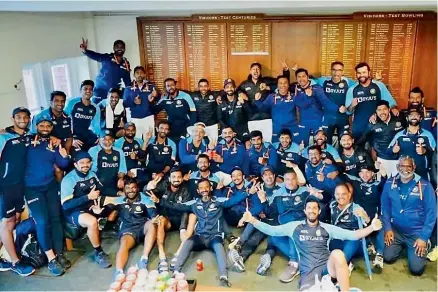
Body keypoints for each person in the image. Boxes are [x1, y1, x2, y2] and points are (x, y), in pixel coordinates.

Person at [241, 196, 383, 291]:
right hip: (308, 271)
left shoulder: (327, 228)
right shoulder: (294, 226)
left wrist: (371, 227)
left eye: (314, 208)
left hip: (327, 269)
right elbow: (271, 230)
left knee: (338, 254)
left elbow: (353, 235)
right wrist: (252, 220)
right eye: (309, 208)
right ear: (305, 211)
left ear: (319, 211)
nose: (311, 210)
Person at [158, 178, 253, 287]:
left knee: (220, 249)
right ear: (198, 191)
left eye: (206, 187)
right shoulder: (194, 203)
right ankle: (175, 272)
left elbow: (233, 200)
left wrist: (247, 193)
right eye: (201, 188)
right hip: (200, 236)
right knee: (187, 242)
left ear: (211, 188)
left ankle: (224, 277)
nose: (204, 190)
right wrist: (159, 201)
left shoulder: (218, 201)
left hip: (215, 236)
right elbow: (177, 206)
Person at [24, 115, 70, 276]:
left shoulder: (54, 142)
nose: (45, 128)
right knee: (42, 222)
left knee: (56, 218)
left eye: (48, 126)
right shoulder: (27, 141)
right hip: (32, 189)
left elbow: (64, 165)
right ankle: (51, 259)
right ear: (35, 126)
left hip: (50, 186)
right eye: (41, 125)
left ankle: (58, 254)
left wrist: (64, 155)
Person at [381, 156, 436, 275]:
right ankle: (404, 247)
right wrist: (388, 228)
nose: (405, 169)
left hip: (416, 233)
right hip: (397, 230)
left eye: (409, 166)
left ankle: (426, 243)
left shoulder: (425, 185)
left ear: (414, 167)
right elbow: (385, 208)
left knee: (416, 270)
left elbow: (431, 214)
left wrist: (423, 237)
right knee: (388, 258)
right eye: (402, 166)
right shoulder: (390, 183)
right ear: (397, 167)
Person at [60, 151, 111, 268]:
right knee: (92, 222)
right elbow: (66, 205)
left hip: (89, 206)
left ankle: (101, 222)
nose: (85, 165)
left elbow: (101, 190)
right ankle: (99, 252)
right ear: (75, 164)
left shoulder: (92, 174)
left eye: (88, 162)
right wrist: (88, 197)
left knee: (114, 204)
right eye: (81, 163)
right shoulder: (69, 180)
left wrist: (99, 204)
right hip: (73, 211)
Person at [0, 107, 35, 276]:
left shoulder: (29, 136)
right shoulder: (4, 138)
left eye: (25, 117)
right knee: (7, 223)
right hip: (6, 187)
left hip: (21, 185)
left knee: (13, 219)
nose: (22, 120)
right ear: (13, 118)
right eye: (18, 117)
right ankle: (15, 262)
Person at [101, 177, 158, 280]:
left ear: (137, 188)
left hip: (143, 226)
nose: (131, 190)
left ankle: (143, 260)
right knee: (124, 244)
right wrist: (98, 211)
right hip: (128, 229)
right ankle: (119, 273)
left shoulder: (145, 198)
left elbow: (152, 213)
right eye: (128, 188)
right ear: (124, 190)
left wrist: (154, 218)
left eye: (133, 188)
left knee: (152, 224)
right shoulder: (119, 201)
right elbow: (106, 210)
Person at [227, 166, 280, 275]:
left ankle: (266, 260)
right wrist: (254, 214)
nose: (268, 177)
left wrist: (264, 206)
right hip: (261, 220)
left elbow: (277, 209)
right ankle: (240, 256)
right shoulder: (258, 188)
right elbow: (256, 207)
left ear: (274, 176)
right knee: (254, 239)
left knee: (272, 241)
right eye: (265, 175)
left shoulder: (280, 190)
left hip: (274, 222)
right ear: (262, 177)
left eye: (270, 174)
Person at [140, 168, 193, 272]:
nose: (176, 179)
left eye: (179, 177)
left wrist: (160, 201)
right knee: (160, 220)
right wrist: (147, 187)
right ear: (169, 178)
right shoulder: (163, 185)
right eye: (173, 177)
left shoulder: (186, 190)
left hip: (180, 221)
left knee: (188, 214)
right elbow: (147, 192)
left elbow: (184, 208)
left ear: (182, 179)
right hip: (167, 220)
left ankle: (178, 254)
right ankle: (162, 256)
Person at [344, 164, 387, 273]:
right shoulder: (356, 183)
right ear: (358, 174)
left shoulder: (377, 184)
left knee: (379, 225)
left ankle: (379, 255)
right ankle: (369, 246)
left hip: (374, 216)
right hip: (360, 218)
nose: (365, 175)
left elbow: (386, 184)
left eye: (368, 172)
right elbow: (341, 175)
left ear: (373, 173)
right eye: (362, 172)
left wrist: (384, 175)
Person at [346, 62, 398, 140]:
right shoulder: (352, 90)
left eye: (364, 72)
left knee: (375, 150)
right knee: (359, 151)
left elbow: (390, 103)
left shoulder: (379, 86)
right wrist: (352, 105)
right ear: (356, 74)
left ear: (369, 73)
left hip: (377, 126)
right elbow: (348, 111)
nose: (361, 75)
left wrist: (393, 109)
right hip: (359, 128)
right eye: (359, 73)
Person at [294, 68, 345, 146]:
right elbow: (300, 104)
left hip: (317, 121)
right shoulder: (296, 89)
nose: (301, 79)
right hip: (304, 122)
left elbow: (326, 102)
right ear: (296, 78)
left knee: (320, 144)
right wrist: (309, 96)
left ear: (308, 77)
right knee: (302, 144)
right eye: (299, 77)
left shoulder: (316, 88)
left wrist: (338, 108)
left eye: (303, 76)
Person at [329, 183, 370, 275]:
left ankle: (340, 267)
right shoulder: (332, 205)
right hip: (338, 239)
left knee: (353, 241)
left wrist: (364, 215)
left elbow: (367, 222)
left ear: (349, 194)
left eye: (343, 194)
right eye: (337, 194)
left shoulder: (356, 208)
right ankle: (345, 263)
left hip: (353, 243)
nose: (340, 197)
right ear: (334, 195)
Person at [312, 61, 356, 145]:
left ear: (342, 71)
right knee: (326, 143)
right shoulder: (323, 81)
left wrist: (378, 80)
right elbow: (309, 80)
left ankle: (340, 158)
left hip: (342, 118)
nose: (336, 73)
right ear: (331, 71)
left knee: (344, 143)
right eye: (334, 70)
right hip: (328, 118)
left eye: (339, 70)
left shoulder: (348, 82)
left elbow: (362, 86)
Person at [357, 100, 405, 177]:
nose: (382, 112)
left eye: (384, 109)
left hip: (399, 159)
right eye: (379, 110)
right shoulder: (372, 123)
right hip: (382, 160)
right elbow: (364, 137)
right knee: (383, 184)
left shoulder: (399, 119)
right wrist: (354, 146)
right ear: (376, 111)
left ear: (389, 109)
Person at [388, 108, 436, 179]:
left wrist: (425, 151)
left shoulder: (427, 135)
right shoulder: (399, 135)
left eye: (416, 115)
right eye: (411, 115)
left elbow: (435, 154)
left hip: (422, 173)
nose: (414, 117)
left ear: (420, 118)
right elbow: (388, 152)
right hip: (404, 173)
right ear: (407, 118)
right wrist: (393, 151)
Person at [80, 38, 131, 103]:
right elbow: (95, 55)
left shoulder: (126, 63)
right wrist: (85, 51)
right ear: (113, 48)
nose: (119, 49)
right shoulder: (107, 57)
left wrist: (131, 91)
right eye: (117, 47)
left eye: (122, 47)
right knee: (97, 108)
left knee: (118, 106)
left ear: (124, 49)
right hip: (100, 90)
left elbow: (127, 80)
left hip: (114, 90)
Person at [238, 62, 277, 141]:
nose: (256, 71)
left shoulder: (266, 80)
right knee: (255, 143)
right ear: (250, 71)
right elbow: (234, 91)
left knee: (267, 142)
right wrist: (240, 93)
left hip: (266, 117)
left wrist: (267, 87)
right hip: (252, 118)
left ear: (260, 71)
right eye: (253, 69)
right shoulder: (244, 84)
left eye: (258, 69)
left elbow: (280, 85)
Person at [254, 75, 297, 143]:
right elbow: (263, 108)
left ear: (288, 85)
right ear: (277, 85)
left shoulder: (294, 96)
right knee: (276, 148)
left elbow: (304, 106)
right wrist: (257, 101)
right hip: (277, 128)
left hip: (292, 127)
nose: (283, 85)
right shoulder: (271, 97)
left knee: (295, 147)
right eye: (280, 83)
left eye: (285, 83)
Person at [304, 145, 342, 221]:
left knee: (319, 208)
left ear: (321, 155)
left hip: (326, 197)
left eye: (316, 153)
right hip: (311, 192)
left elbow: (337, 188)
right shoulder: (307, 164)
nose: (313, 156)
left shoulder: (329, 167)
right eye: (311, 154)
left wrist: (324, 180)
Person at [154, 78, 196, 144]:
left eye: (172, 85)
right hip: (171, 129)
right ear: (165, 88)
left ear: (175, 85)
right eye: (168, 86)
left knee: (183, 147)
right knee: (173, 148)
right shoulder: (164, 99)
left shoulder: (185, 96)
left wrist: (190, 128)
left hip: (185, 127)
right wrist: (154, 97)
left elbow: (193, 113)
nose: (170, 87)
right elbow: (154, 110)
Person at [64, 80, 101, 152]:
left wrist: (99, 137)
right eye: (85, 89)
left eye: (90, 89)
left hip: (86, 134)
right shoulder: (73, 103)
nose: (88, 91)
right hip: (73, 134)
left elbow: (96, 126)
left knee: (98, 149)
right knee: (80, 154)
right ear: (81, 90)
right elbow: (64, 120)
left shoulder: (95, 108)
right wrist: (71, 139)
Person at [88, 130, 127, 197]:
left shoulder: (119, 151)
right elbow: (91, 172)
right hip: (98, 185)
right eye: (104, 139)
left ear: (113, 140)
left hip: (114, 184)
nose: (107, 142)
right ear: (99, 140)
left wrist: (121, 179)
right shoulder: (93, 151)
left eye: (110, 139)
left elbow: (122, 169)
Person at [123, 66, 157, 138]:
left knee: (150, 139)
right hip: (135, 118)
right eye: (137, 73)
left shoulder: (151, 87)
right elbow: (125, 103)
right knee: (136, 139)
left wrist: (155, 97)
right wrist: (134, 102)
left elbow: (157, 101)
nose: (139, 75)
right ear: (134, 75)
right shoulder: (128, 88)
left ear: (144, 74)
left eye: (141, 73)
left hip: (148, 117)